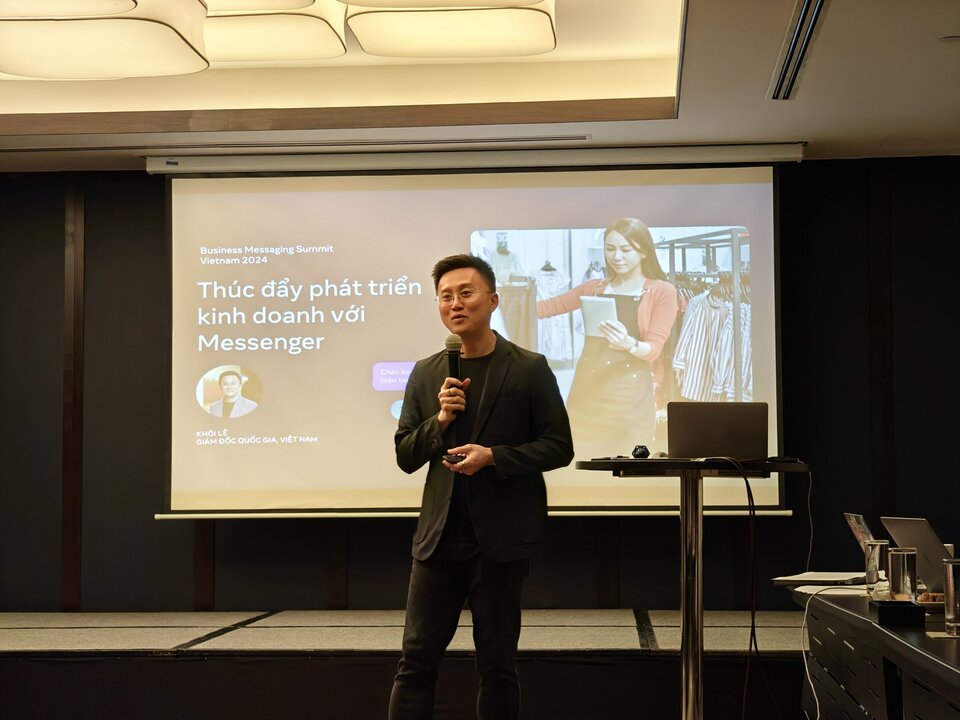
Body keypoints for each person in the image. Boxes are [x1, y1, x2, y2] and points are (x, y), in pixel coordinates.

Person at [388, 253, 574, 720]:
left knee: (497, 666)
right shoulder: (426, 372)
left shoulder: (529, 368)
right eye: (445, 296)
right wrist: (440, 419)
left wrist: (493, 457)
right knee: (416, 664)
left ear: (492, 300)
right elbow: (406, 455)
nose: (455, 304)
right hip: (438, 542)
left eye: (465, 293)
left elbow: (558, 447)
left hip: (500, 542)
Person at [537, 217, 679, 454]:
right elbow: (548, 307)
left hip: (630, 397)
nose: (617, 256)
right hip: (586, 392)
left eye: (626, 249)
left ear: (644, 251)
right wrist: (498, 303)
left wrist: (629, 344)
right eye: (610, 249)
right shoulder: (594, 287)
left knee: (629, 464)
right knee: (580, 459)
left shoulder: (662, 291)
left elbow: (654, 349)